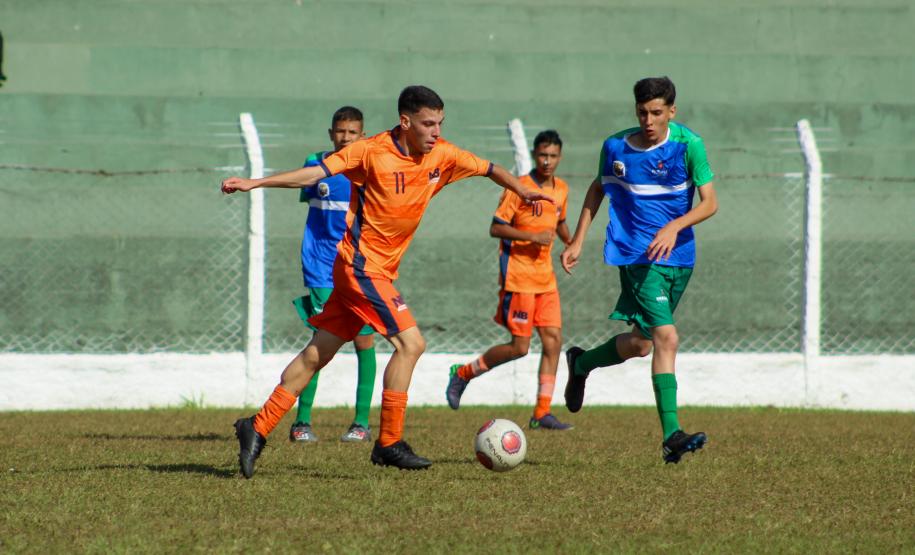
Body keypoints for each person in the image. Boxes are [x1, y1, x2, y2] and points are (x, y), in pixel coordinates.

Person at [221, 85, 555, 477]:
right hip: (361, 268)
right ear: (405, 121)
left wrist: (522, 189)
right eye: (428, 124)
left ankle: (256, 427)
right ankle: (389, 442)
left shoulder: (442, 154)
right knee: (411, 343)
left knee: (318, 353)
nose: (436, 131)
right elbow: (314, 173)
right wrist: (255, 182)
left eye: (440, 123)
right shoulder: (370, 151)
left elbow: (490, 168)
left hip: (369, 272)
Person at [559, 76, 718, 464]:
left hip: (679, 259)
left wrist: (674, 226)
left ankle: (580, 363)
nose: (648, 120)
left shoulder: (688, 145)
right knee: (667, 338)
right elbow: (599, 188)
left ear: (671, 112)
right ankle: (671, 436)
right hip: (637, 258)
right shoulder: (616, 147)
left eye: (656, 113)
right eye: (642, 112)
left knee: (643, 344)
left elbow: (710, 202)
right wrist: (578, 239)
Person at [446, 130, 573, 431]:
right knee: (519, 347)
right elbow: (496, 228)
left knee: (553, 342)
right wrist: (531, 236)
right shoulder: (519, 188)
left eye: (553, 156)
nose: (547, 161)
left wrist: (572, 244)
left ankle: (542, 412)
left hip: (546, 280)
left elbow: (561, 222)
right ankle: (464, 373)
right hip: (519, 278)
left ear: (559, 157)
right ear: (534, 153)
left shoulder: (562, 189)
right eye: (542, 154)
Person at [289, 106, 376, 444]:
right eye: (340, 132)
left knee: (364, 341)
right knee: (319, 345)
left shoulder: (367, 170)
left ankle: (361, 423)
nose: (345, 138)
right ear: (331, 134)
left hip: (358, 269)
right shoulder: (315, 164)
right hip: (321, 269)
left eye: (352, 133)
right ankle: (302, 422)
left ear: (362, 136)